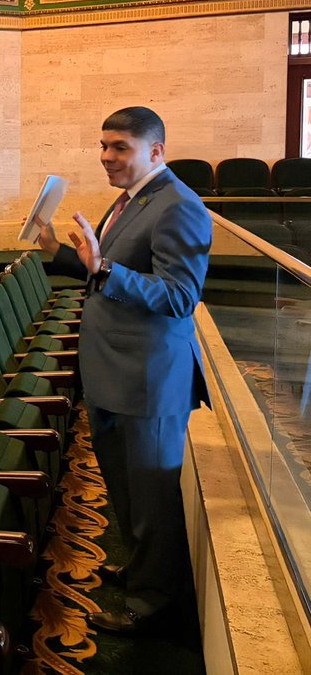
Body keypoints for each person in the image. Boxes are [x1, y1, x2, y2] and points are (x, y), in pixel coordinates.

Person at [34, 106, 211, 635]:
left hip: (148, 379)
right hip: (114, 372)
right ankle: (140, 567)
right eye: (103, 146)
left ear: (155, 151)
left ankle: (155, 604)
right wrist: (61, 254)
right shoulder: (134, 197)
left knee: (152, 498)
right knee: (126, 489)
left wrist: (104, 267)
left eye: (120, 148)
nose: (106, 157)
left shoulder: (179, 205)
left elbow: (180, 296)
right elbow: (103, 273)